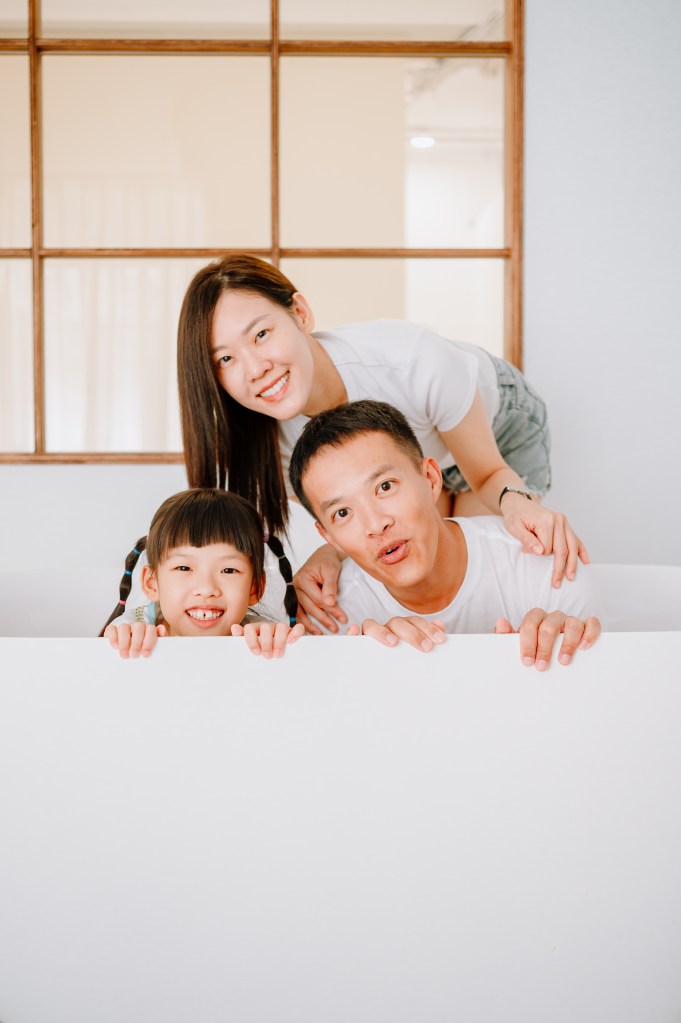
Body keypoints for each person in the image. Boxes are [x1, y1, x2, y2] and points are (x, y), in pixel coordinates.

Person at [177, 254, 587, 636]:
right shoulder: (273, 443)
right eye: (225, 359)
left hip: (497, 431)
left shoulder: (413, 361)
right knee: (420, 571)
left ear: (300, 314)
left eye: (261, 334)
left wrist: (517, 501)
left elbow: (488, 474)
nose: (255, 369)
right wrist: (331, 553)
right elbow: (358, 512)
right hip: (403, 468)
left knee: (467, 570)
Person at [288, 400, 601, 669]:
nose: (375, 525)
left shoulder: (546, 568)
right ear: (328, 536)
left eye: (385, 487)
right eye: (342, 513)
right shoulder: (329, 618)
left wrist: (558, 662)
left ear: (430, 479)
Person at [101, 489, 303, 659]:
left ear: (255, 588)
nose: (206, 589)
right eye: (184, 568)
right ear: (151, 583)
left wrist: (279, 643)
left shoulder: (260, 634)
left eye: (228, 570)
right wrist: (124, 641)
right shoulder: (133, 627)